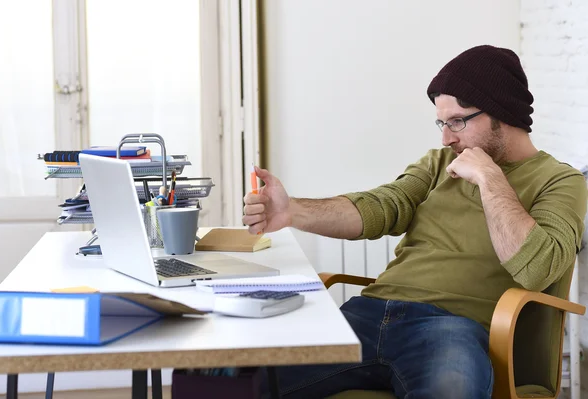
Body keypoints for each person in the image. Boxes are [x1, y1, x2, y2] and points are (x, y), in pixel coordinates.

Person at [242, 45, 588, 399]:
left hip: (451, 328)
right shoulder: (438, 164)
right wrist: (291, 211)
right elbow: (383, 206)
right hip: (368, 313)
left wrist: (490, 178)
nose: (446, 137)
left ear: (502, 112)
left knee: (451, 391)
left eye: (457, 121)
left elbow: (538, 267)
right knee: (244, 374)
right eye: (442, 122)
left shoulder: (559, 181)